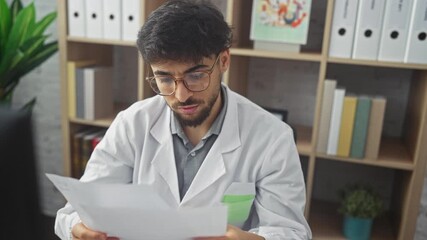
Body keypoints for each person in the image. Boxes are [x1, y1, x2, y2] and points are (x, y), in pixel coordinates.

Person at [55, 0, 312, 239]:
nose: (181, 94)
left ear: (223, 60)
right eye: (165, 78)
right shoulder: (132, 124)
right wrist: (78, 228)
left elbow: (291, 232)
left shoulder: (272, 137)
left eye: (196, 75)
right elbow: (74, 212)